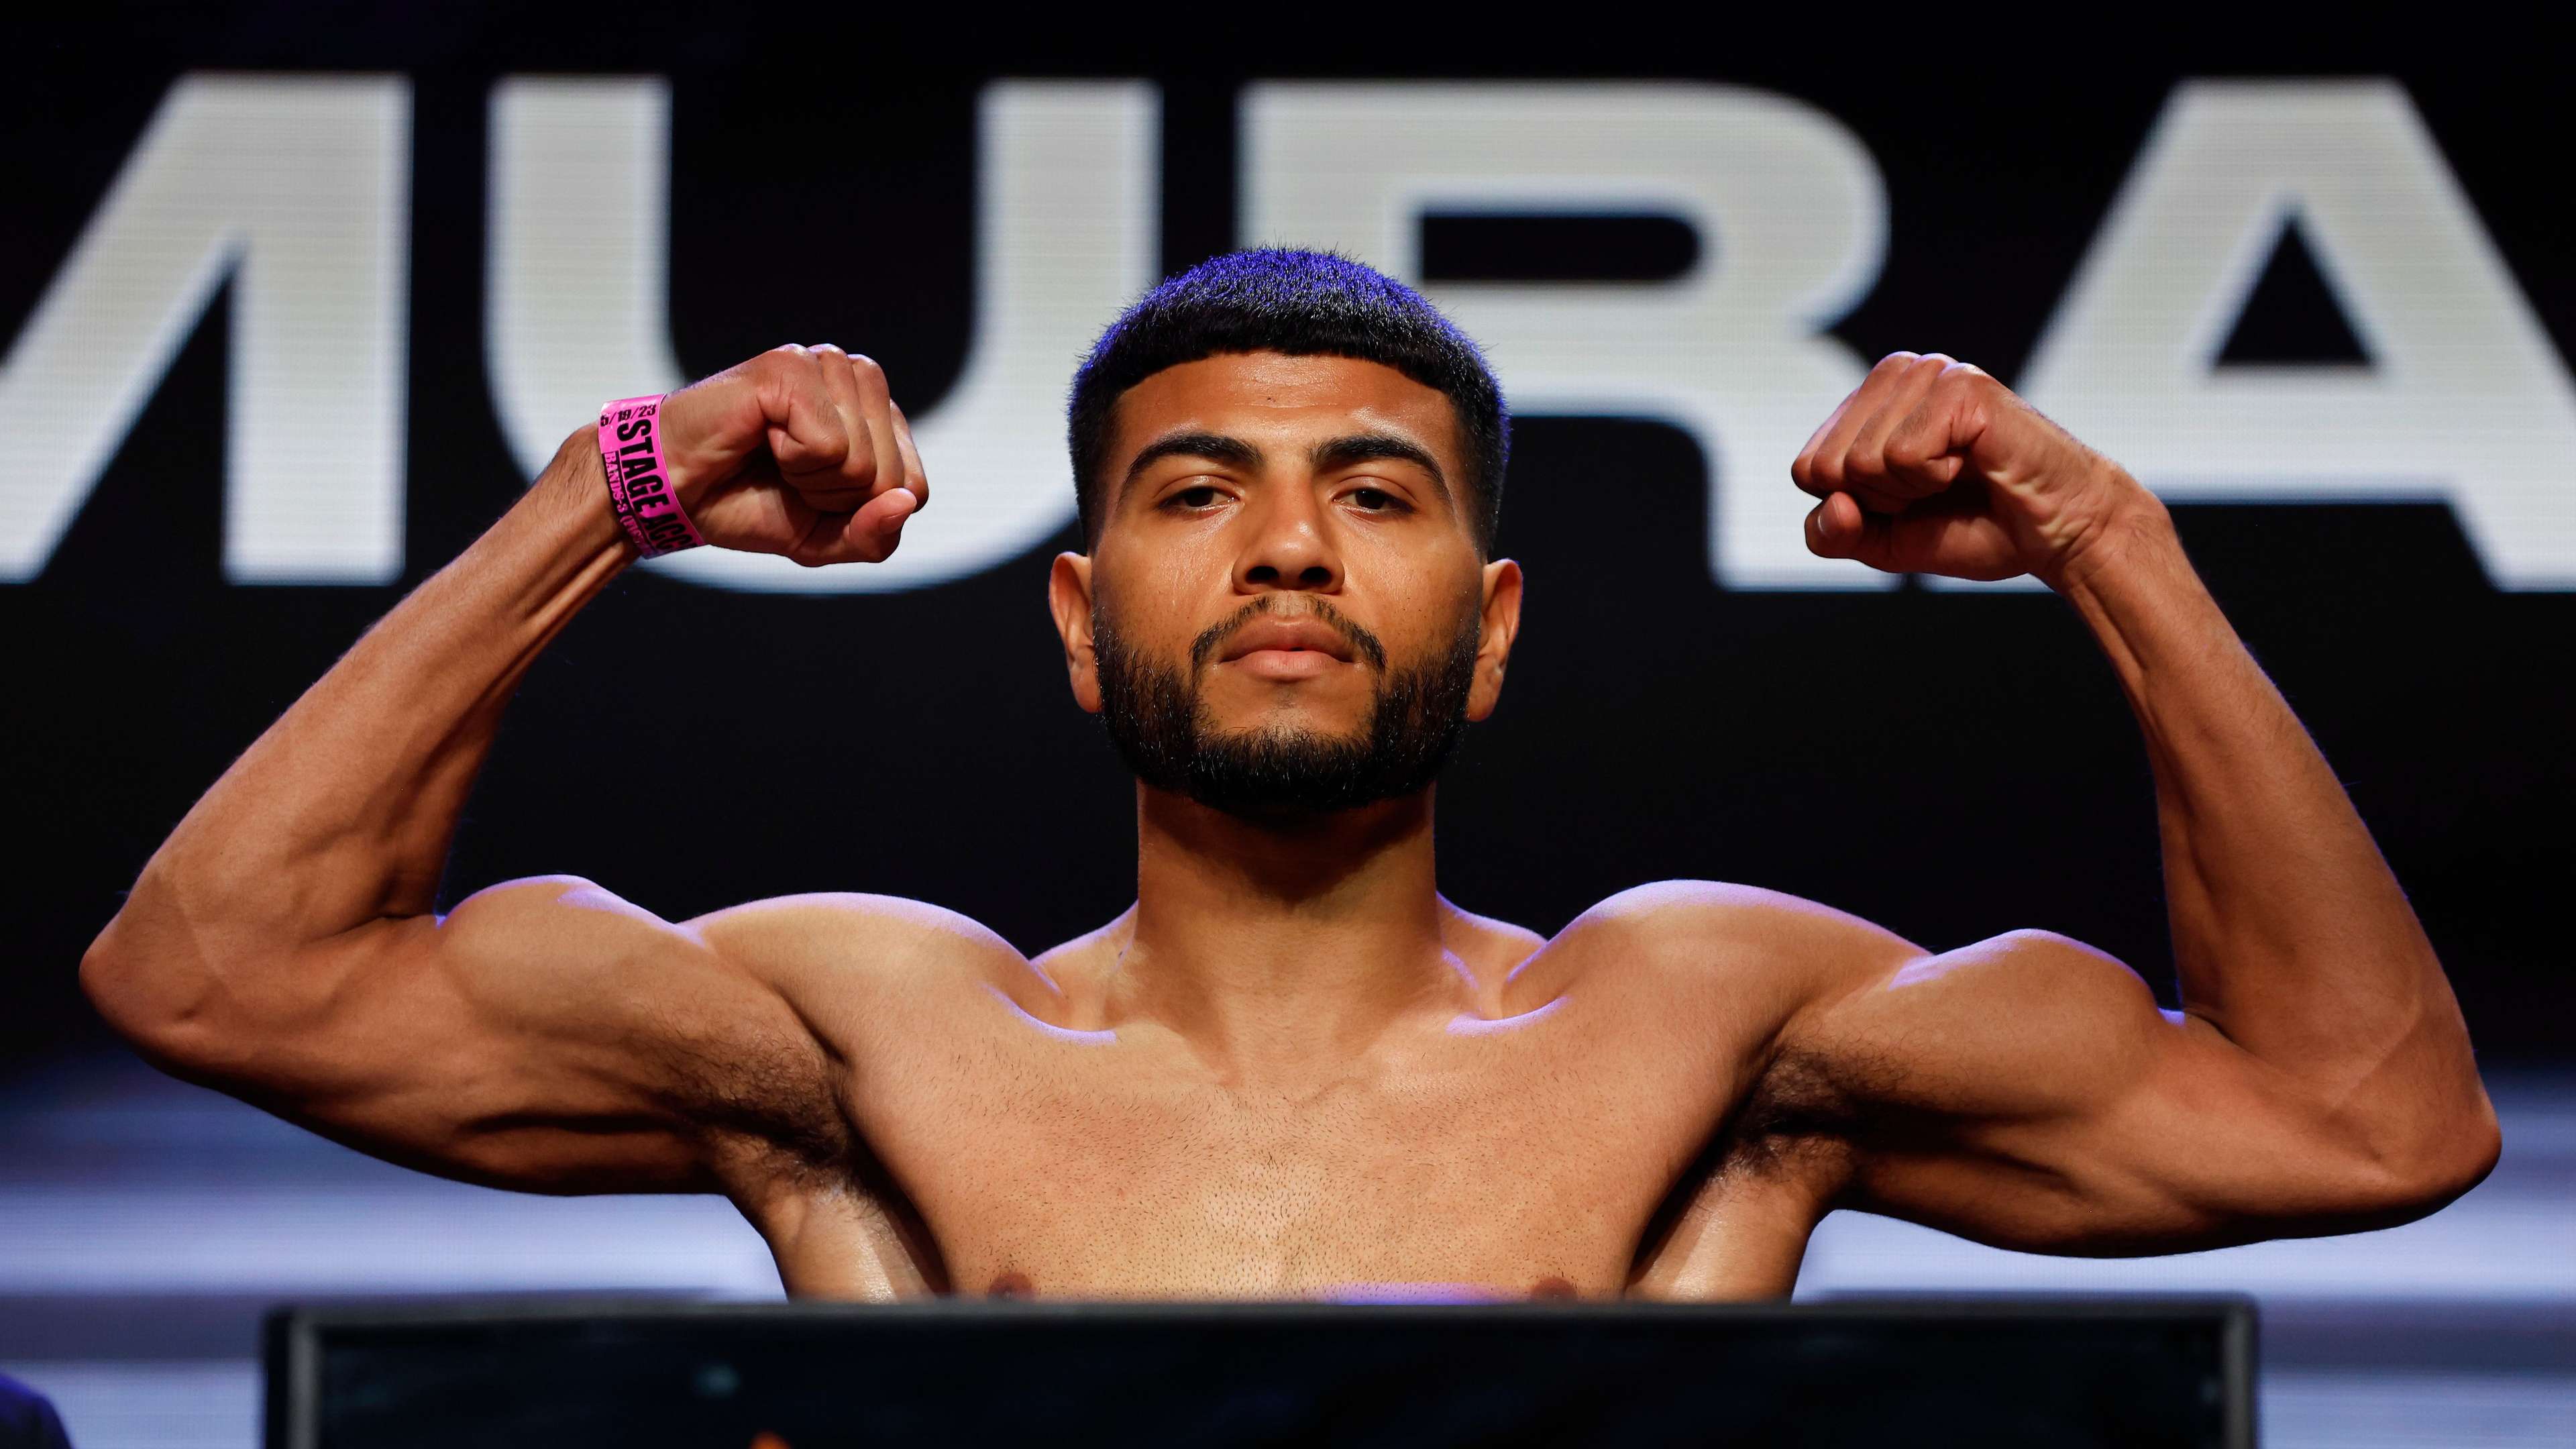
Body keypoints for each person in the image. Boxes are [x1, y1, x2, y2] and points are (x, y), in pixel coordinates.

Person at [81, 250, 2496, 1301]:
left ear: (1495, 614)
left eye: (1374, 490)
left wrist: (2109, 537)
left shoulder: (1716, 1032)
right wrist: (605, 487)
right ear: (1075, 610)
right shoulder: (863, 1041)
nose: (1286, 554)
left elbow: (2366, 1126)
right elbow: (219, 973)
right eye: (1191, 490)